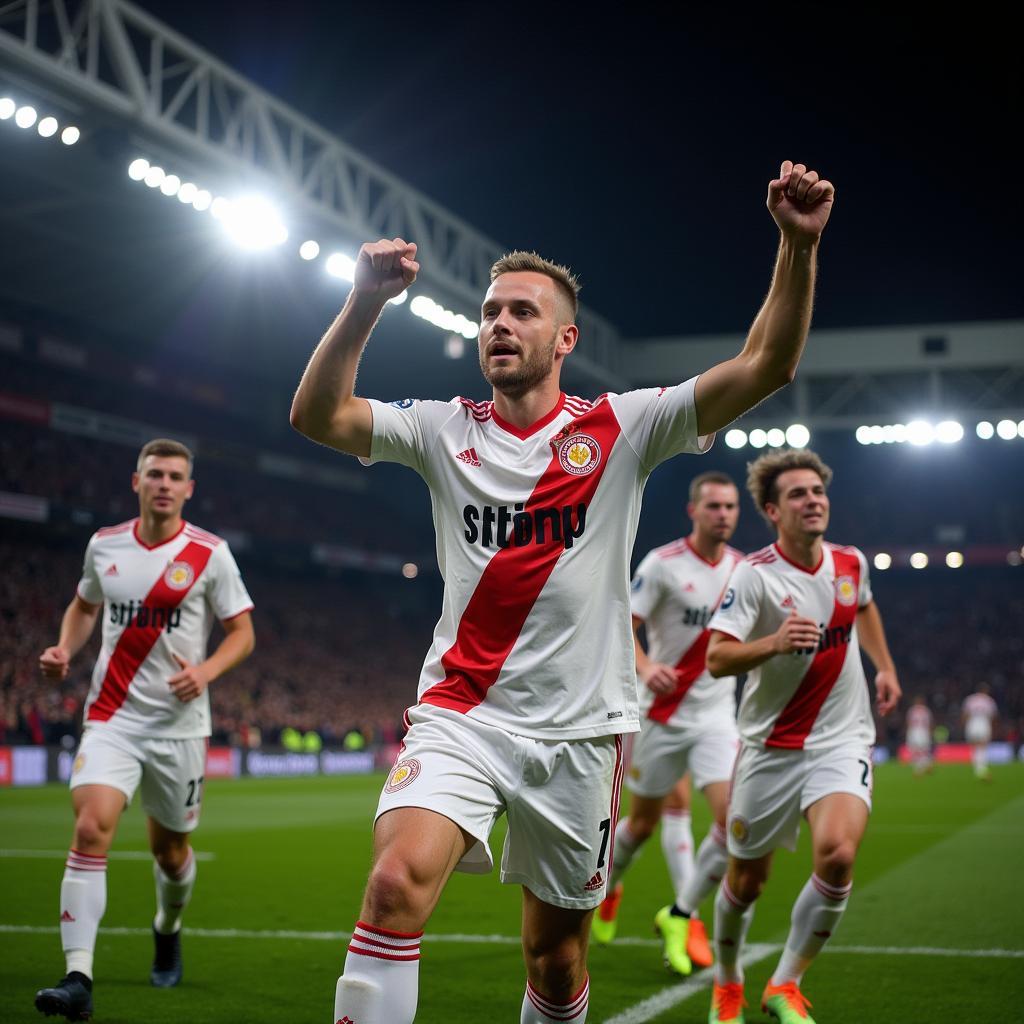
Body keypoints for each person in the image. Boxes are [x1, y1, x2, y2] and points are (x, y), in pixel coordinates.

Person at [290, 159, 835, 1024]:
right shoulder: (440, 429)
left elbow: (766, 364)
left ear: (564, 340)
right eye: (489, 313)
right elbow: (317, 417)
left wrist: (796, 248)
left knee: (554, 958)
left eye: (521, 312)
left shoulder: (622, 428)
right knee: (393, 885)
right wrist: (364, 302)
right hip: (463, 712)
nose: (499, 325)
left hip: (582, 732)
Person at [34, 439, 255, 1022]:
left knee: (171, 850)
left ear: (189, 489)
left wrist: (206, 671)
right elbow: (84, 606)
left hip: (180, 728)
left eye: (174, 475)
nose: (163, 483)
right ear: (136, 482)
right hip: (112, 716)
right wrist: (64, 646)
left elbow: (242, 633)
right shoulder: (104, 545)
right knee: (90, 827)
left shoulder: (210, 554)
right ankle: (78, 974)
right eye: (153, 473)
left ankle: (167, 926)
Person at [703, 449, 901, 1024]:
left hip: (841, 741)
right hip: (769, 750)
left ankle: (784, 983)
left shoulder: (850, 562)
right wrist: (772, 642)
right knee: (747, 880)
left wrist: (883, 666)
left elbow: (864, 609)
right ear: (772, 510)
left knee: (839, 855)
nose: (812, 500)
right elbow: (717, 658)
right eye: (797, 494)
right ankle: (727, 981)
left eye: (818, 491)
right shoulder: (756, 575)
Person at [591, 471, 743, 978]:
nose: (723, 514)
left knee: (732, 822)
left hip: (718, 718)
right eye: (714, 506)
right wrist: (646, 666)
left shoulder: (745, 571)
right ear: (693, 511)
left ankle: (682, 914)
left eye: (730, 506)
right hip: (661, 715)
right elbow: (624, 625)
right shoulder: (663, 565)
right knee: (644, 821)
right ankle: (609, 886)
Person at [962, 684, 998, 780]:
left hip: (972, 723)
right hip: (983, 723)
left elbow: (965, 714)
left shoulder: (970, 699)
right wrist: (993, 727)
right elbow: (993, 716)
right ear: (985, 691)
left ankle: (977, 768)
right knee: (982, 746)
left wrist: (965, 726)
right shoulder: (989, 700)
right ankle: (981, 768)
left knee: (974, 747)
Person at [905, 694, 933, 776]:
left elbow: (909, 722)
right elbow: (930, 723)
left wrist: (908, 732)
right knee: (923, 750)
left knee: (916, 750)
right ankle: (927, 764)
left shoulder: (912, 710)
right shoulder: (926, 710)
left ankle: (919, 769)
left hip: (915, 731)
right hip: (923, 731)